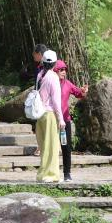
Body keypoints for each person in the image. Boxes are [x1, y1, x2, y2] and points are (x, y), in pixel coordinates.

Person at [55, 60, 87, 182]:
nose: (64, 72)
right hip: (53, 120)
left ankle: (67, 173)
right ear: (55, 70)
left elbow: (78, 93)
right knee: (52, 147)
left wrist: (83, 91)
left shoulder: (67, 83)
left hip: (64, 121)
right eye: (61, 69)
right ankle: (52, 173)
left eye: (65, 70)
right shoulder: (49, 82)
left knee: (66, 147)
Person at [35, 49, 64, 183]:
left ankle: (42, 174)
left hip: (40, 114)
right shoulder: (53, 77)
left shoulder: (40, 74)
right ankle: (51, 174)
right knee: (52, 146)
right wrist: (61, 119)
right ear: (54, 63)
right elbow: (56, 101)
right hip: (50, 114)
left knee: (43, 145)